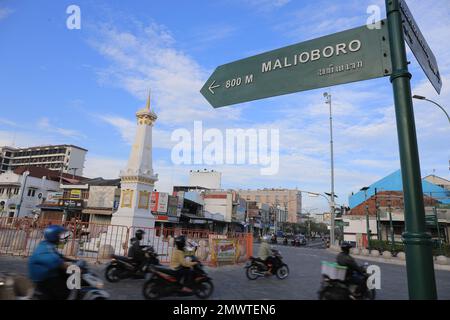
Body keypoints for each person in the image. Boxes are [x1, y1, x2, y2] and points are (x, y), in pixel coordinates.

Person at [28, 225, 71, 300]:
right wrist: (76, 269)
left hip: (46, 276)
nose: (63, 238)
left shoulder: (47, 244)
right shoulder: (47, 249)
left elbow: (59, 256)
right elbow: (59, 262)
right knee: (65, 293)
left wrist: (73, 261)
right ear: (54, 236)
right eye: (60, 235)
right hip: (44, 280)